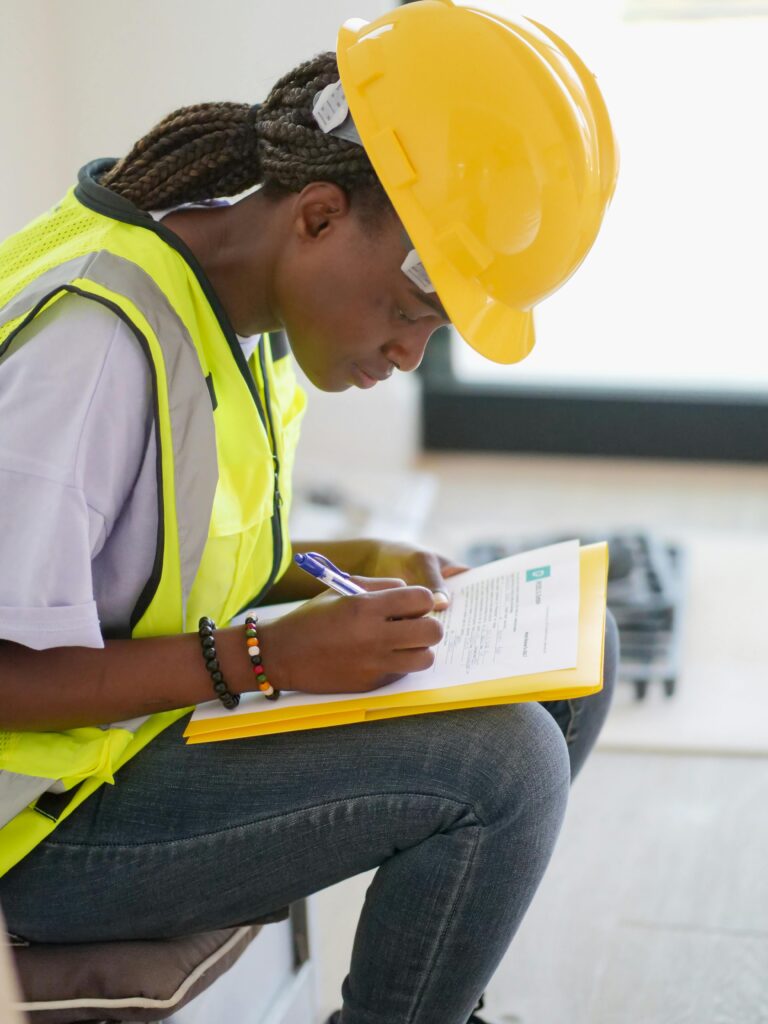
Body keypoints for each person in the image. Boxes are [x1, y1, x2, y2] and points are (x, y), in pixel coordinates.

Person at [0, 3, 619, 1022]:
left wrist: (346, 563)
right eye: (412, 313)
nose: (410, 354)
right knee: (502, 767)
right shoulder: (94, 347)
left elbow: (163, 547)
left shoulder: (243, 312)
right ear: (321, 215)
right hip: (39, 830)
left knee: (577, 654)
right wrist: (266, 658)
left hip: (137, 736)